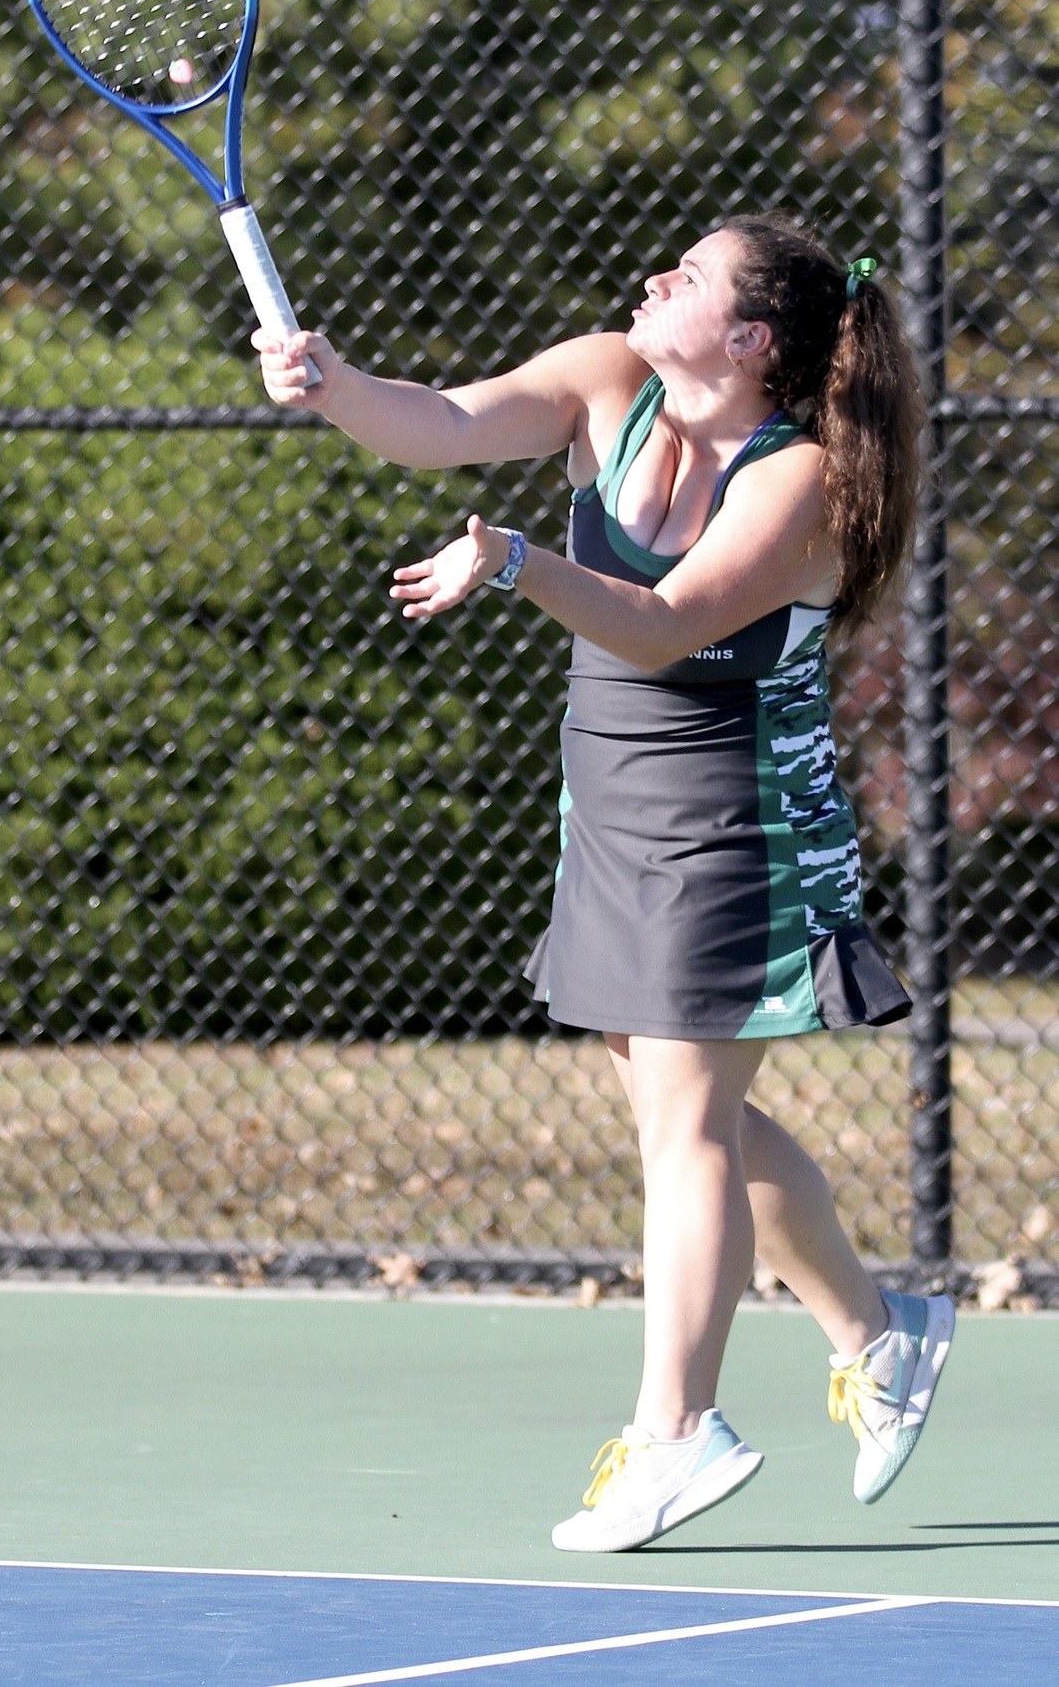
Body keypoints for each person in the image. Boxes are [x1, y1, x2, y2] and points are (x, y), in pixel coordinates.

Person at [253, 213, 954, 1555]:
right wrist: (335, 387)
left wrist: (515, 560)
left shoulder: (795, 477)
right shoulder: (603, 381)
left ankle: (677, 1433)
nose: (651, 282)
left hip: (737, 824)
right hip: (615, 811)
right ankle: (881, 1334)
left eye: (685, 278)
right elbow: (447, 420)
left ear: (749, 341)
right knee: (694, 1112)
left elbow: (665, 625)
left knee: (683, 1126)